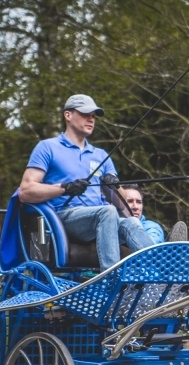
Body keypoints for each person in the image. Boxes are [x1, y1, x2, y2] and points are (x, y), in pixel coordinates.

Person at [16, 94, 154, 270]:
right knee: (108, 212)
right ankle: (110, 276)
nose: (91, 119)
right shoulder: (48, 147)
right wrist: (64, 188)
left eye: (94, 116)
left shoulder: (101, 156)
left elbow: (122, 204)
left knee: (132, 222)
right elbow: (25, 192)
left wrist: (114, 186)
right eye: (85, 114)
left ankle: (163, 273)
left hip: (103, 221)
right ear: (68, 115)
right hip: (61, 219)